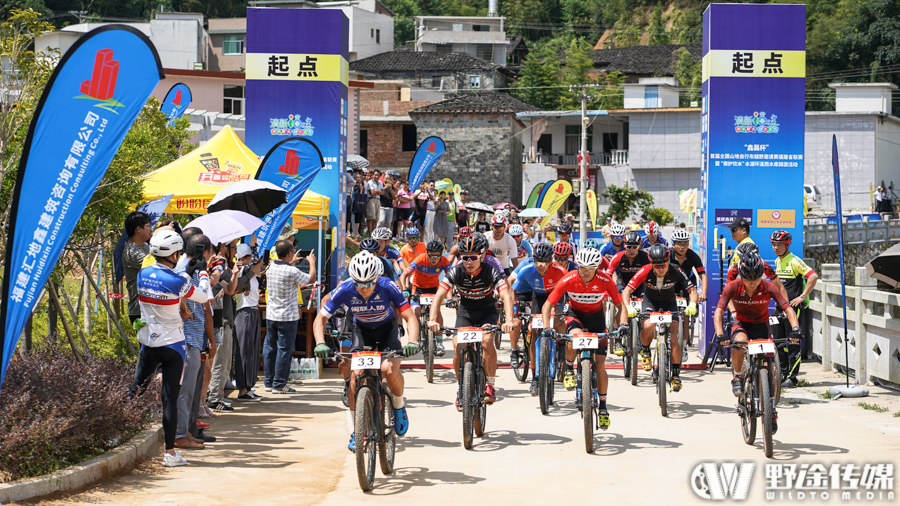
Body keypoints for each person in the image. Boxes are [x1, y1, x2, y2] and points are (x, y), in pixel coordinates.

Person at [313, 252, 419, 451]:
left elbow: (410, 317)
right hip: (361, 331)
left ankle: (398, 404)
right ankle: (357, 429)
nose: (363, 288)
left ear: (377, 278)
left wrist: (412, 341)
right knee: (355, 377)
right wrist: (320, 342)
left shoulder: (388, 286)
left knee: (389, 370)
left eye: (368, 283)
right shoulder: (345, 289)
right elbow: (320, 319)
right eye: (359, 284)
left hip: (386, 330)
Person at [128, 230, 211, 467]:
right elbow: (204, 296)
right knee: (169, 400)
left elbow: (165, 278)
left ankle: (118, 431)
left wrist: (184, 270)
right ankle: (170, 453)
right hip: (174, 345)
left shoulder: (143, 274)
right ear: (175, 253)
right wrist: (202, 272)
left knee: (136, 389)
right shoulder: (180, 281)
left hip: (148, 343)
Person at [540, 248, 628, 430]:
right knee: (574, 337)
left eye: (590, 268)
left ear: (597, 267)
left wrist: (623, 324)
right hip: (575, 315)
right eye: (581, 267)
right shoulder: (569, 278)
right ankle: (570, 368)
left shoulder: (604, 280)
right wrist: (547, 327)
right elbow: (548, 305)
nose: (585, 271)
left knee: (601, 365)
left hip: (597, 319)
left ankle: (603, 408)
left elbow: (621, 306)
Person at [715, 252, 801, 434]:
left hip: (762, 326)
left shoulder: (769, 286)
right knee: (739, 341)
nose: (752, 282)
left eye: (756, 278)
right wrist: (720, 333)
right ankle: (738, 375)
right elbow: (719, 310)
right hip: (742, 323)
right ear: (742, 275)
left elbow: (787, 308)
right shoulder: (732, 286)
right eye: (748, 279)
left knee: (770, 370)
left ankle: (771, 409)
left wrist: (795, 329)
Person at [427, 235, 516, 408]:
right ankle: (461, 388)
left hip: (487, 312)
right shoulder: (457, 271)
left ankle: (490, 385)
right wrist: (432, 320)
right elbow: (438, 296)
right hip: (466, 312)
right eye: (464, 257)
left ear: (482, 256)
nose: (468, 261)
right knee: (457, 346)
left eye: (473, 257)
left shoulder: (491, 270)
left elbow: (505, 296)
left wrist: (509, 321)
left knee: (487, 340)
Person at [622, 244, 698, 392]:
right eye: (656, 266)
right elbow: (627, 291)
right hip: (650, 302)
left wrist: (693, 304)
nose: (660, 269)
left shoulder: (676, 270)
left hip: (669, 303)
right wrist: (629, 306)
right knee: (648, 326)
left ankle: (675, 375)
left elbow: (692, 290)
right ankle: (645, 350)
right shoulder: (644, 271)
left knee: (674, 338)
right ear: (651, 263)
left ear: (668, 262)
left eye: (663, 265)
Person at [174, 233, 218, 450]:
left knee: (189, 391)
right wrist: (212, 339)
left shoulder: (179, 269)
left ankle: (188, 432)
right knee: (187, 391)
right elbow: (205, 307)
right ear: (205, 252)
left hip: (187, 338)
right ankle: (182, 434)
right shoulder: (194, 274)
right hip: (189, 339)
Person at [508, 242, 568, 395]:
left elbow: (572, 287)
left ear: (550, 261)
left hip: (554, 298)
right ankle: (535, 378)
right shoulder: (527, 269)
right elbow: (512, 290)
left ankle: (561, 344)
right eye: (537, 262)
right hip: (538, 297)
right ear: (533, 260)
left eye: (544, 263)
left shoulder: (560, 270)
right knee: (535, 333)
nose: (540, 266)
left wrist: (570, 306)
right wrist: (513, 309)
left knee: (559, 319)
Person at [264, 240, 316, 394]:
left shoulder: (270, 268)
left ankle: (268, 382)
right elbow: (311, 279)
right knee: (284, 351)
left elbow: (284, 270)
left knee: (270, 348)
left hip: (272, 315)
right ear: (289, 253)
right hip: (287, 317)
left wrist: (290, 262)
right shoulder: (292, 272)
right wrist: (311, 262)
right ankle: (279, 384)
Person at [769, 230, 818, 387]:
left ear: (787, 245)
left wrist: (802, 296)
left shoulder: (794, 260)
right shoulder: (777, 261)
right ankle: (782, 373)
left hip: (793, 308)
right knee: (778, 341)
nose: (776, 248)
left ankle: (792, 377)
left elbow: (813, 276)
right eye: (773, 244)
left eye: (779, 245)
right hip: (779, 306)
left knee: (792, 341)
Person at [206, 241, 244, 413]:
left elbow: (229, 290)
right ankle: (214, 398)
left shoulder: (221, 268)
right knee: (219, 362)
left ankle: (216, 396)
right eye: (233, 247)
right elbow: (224, 289)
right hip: (218, 319)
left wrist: (234, 273)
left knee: (224, 362)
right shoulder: (214, 268)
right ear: (223, 248)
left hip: (225, 317)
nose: (235, 250)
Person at [401, 240, 451, 355]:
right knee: (415, 312)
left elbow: (450, 279)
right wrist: (404, 290)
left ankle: (439, 342)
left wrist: (449, 297)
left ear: (441, 255)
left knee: (437, 313)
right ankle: (417, 336)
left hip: (433, 289)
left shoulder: (444, 261)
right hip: (418, 289)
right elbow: (404, 274)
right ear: (426, 253)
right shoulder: (420, 259)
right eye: (431, 256)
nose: (433, 259)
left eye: (437, 256)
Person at [669, 228, 708, 358]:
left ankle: (684, 346)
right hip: (671, 283)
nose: (682, 247)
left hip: (687, 284)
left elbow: (703, 275)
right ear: (673, 244)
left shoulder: (692, 256)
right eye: (679, 244)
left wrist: (703, 294)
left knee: (685, 314)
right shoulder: (667, 254)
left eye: (685, 244)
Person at [234, 244, 265, 401]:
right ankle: (242, 389)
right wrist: (254, 269)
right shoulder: (239, 271)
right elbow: (240, 286)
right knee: (244, 352)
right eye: (249, 257)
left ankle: (248, 387)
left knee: (251, 352)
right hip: (244, 312)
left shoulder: (250, 272)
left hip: (252, 310)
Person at [123, 211, 152, 324]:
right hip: (139, 312)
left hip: (147, 309)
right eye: (148, 226)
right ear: (138, 229)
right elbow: (157, 266)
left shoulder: (144, 245)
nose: (150, 229)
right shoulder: (132, 252)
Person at [605, 231, 651, 300]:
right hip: (622, 283)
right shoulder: (617, 257)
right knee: (622, 299)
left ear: (639, 246)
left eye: (635, 247)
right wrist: (607, 293)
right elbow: (608, 276)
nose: (631, 250)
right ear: (624, 245)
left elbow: (652, 276)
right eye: (629, 247)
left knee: (644, 299)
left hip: (639, 285)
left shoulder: (645, 257)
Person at [365, 169, 383, 235]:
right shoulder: (370, 182)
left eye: (378, 175)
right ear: (373, 175)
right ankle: (370, 233)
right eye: (375, 175)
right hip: (371, 199)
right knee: (371, 217)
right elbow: (372, 193)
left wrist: (376, 191)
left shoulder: (380, 183)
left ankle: (374, 233)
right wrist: (379, 192)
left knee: (376, 218)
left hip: (378, 200)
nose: (376, 177)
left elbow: (383, 192)